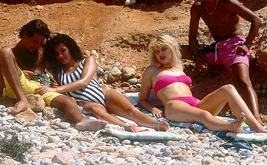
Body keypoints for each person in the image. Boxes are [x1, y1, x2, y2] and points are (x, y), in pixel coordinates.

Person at [35, 33, 170, 132]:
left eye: (63, 51)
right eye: (57, 53)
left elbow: (84, 82)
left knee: (130, 110)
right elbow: (39, 64)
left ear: (70, 48)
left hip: (102, 92)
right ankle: (126, 127)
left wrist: (55, 90)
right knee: (96, 110)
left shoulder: (87, 60)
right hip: (86, 102)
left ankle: (156, 125)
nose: (61, 56)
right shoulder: (57, 71)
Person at [140, 34, 267, 133]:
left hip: (194, 103)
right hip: (174, 106)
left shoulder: (179, 68)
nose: (160, 54)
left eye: (163, 49)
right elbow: (143, 99)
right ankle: (231, 127)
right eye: (156, 51)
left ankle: (256, 126)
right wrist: (153, 108)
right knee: (203, 115)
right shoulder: (151, 70)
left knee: (228, 88)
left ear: (172, 49)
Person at [0, 19, 107, 131]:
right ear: (25, 35)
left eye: (41, 43)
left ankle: (81, 121)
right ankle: (23, 100)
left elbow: (61, 62)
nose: (37, 46)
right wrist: (16, 73)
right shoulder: (10, 53)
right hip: (19, 86)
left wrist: (56, 83)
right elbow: (0, 83)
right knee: (4, 51)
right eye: (35, 42)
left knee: (69, 101)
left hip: (41, 88)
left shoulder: (42, 49)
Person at [188, 0, 264, 125]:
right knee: (175, 50)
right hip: (217, 49)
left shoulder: (227, 2)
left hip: (235, 46)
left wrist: (246, 44)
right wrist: (196, 55)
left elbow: (256, 20)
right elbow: (192, 36)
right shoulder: (197, 7)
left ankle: (256, 118)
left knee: (243, 81)